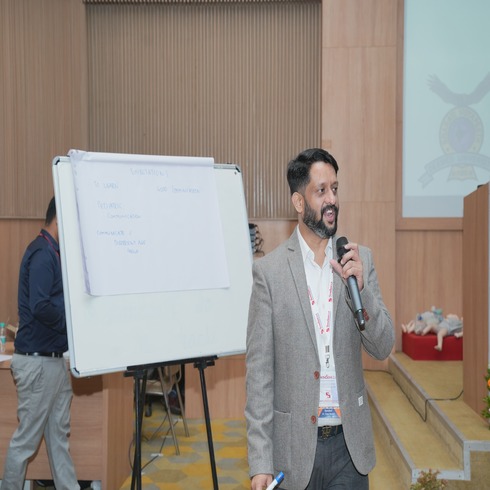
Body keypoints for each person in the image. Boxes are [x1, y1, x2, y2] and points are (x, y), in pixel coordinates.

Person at [245, 148, 395, 490]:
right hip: (293, 450)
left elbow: (383, 346)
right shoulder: (269, 273)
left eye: (335, 189)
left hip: (349, 449)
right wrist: (260, 460)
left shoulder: (358, 260)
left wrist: (361, 290)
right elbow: (259, 375)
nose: (332, 200)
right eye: (321, 191)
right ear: (299, 202)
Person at [1, 197, 80, 490]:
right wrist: (72, 322)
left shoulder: (52, 253)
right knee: (25, 443)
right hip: (38, 365)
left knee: (58, 439)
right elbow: (40, 306)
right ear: (59, 219)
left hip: (53, 362)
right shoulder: (43, 255)